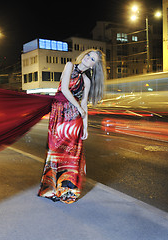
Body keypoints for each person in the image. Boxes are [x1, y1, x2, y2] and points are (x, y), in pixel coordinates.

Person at [38, 49, 106, 204]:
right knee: (54, 150)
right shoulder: (69, 65)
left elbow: (84, 105)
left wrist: (85, 127)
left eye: (92, 60)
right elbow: (64, 90)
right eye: (88, 56)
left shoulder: (87, 81)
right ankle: (51, 189)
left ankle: (68, 191)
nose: (88, 59)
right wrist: (79, 108)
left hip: (74, 118)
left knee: (71, 155)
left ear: (93, 66)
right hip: (59, 112)